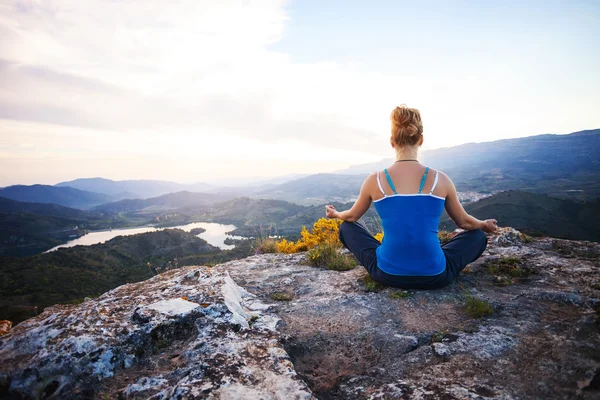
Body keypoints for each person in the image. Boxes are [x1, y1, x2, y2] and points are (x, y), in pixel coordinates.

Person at [325, 105, 497, 289]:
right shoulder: (441, 179)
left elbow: (351, 217)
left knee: (347, 228)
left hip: (386, 274)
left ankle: (393, 258)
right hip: (436, 276)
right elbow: (464, 223)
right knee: (477, 236)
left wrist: (335, 214)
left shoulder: (375, 180)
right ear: (421, 140)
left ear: (392, 141)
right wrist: (484, 225)